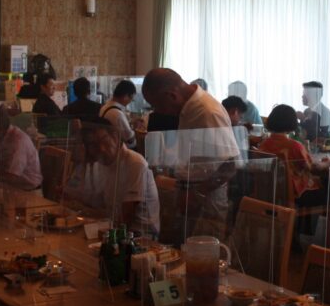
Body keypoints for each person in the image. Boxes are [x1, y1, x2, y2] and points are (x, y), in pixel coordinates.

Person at [142, 68, 239, 233]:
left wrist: (197, 194)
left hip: (206, 199)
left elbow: (230, 165)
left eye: (158, 105)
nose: (159, 112)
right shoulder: (188, 108)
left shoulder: (207, 112)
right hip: (190, 193)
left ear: (172, 96)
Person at [77, 122, 160, 235]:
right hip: (114, 227)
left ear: (115, 137)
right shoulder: (102, 164)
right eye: (94, 145)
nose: (101, 149)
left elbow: (126, 219)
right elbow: (96, 202)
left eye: (104, 141)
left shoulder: (135, 163)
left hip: (141, 236)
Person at [256, 105, 326, 208]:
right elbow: (311, 167)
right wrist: (327, 164)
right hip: (296, 193)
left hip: (270, 191)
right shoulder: (294, 146)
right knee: (329, 190)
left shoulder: (264, 144)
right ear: (292, 123)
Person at [0, 106, 42, 190]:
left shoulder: (17, 142)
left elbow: (12, 178)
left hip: (27, 191)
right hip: (5, 187)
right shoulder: (0, 136)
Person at [99, 79, 137, 149]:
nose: (130, 101)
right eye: (131, 98)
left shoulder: (105, 106)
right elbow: (130, 139)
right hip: (120, 151)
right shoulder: (117, 114)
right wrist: (136, 128)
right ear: (126, 96)